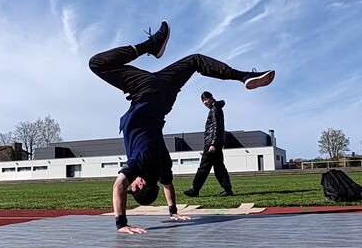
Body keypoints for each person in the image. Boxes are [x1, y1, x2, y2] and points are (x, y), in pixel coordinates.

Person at [89, 20, 274, 234]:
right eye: (134, 186)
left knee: (195, 61)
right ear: (139, 184)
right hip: (146, 94)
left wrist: (173, 211)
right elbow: (118, 186)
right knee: (97, 63)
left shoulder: (162, 165)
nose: (130, 182)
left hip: (165, 98)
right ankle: (149, 46)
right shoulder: (140, 161)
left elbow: (167, 185)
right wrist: (121, 223)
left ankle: (245, 76)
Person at [183, 91, 233, 197]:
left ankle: (195, 189)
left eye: (206, 99)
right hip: (215, 143)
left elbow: (217, 127)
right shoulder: (215, 109)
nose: (205, 102)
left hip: (212, 143)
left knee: (204, 167)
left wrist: (213, 144)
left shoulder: (214, 110)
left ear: (211, 98)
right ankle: (227, 190)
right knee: (219, 167)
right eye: (203, 101)